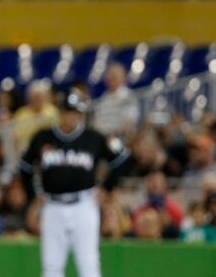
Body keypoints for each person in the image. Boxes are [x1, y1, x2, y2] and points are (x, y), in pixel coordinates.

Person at [18, 89, 130, 277]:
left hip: (83, 205)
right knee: (52, 266)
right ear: (59, 112)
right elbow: (25, 166)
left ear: (80, 114)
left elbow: (122, 159)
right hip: (52, 205)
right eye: (66, 111)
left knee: (88, 264)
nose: (69, 116)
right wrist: (32, 196)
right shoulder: (43, 137)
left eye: (74, 112)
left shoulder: (92, 137)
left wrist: (107, 187)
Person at [91, 62, 140, 139]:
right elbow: (95, 121)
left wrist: (114, 135)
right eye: (108, 77)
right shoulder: (104, 97)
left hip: (119, 138)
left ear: (123, 78)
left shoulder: (128, 96)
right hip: (100, 138)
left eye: (114, 77)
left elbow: (129, 122)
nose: (110, 80)